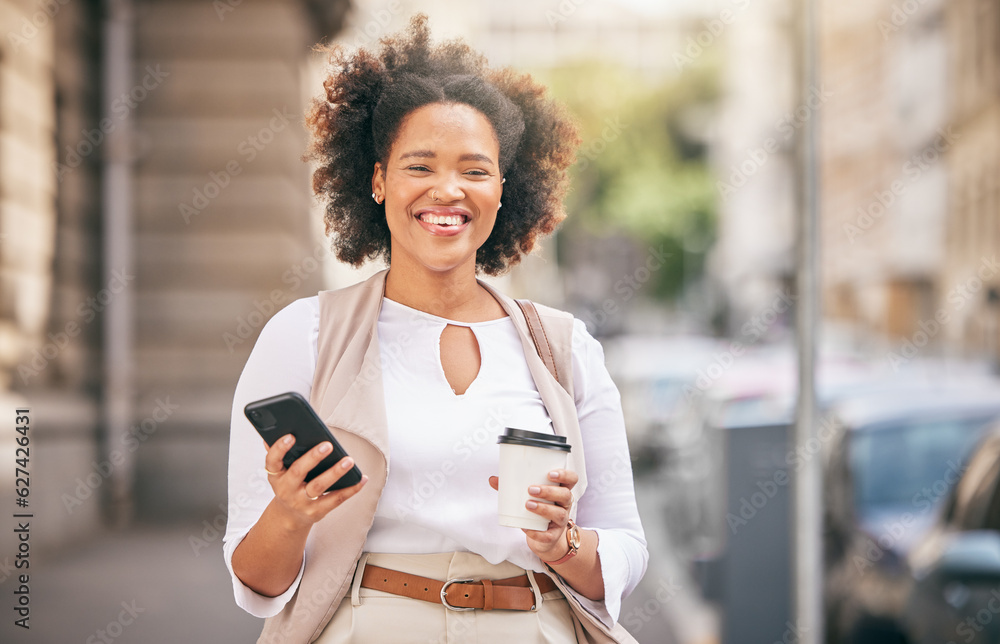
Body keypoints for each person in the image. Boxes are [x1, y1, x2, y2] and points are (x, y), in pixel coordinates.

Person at [223, 14, 647, 644]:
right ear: (377, 181)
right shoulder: (306, 335)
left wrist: (564, 543)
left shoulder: (563, 348)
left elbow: (626, 550)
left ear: (502, 191)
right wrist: (290, 514)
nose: (447, 190)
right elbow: (255, 586)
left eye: (474, 170)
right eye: (419, 166)